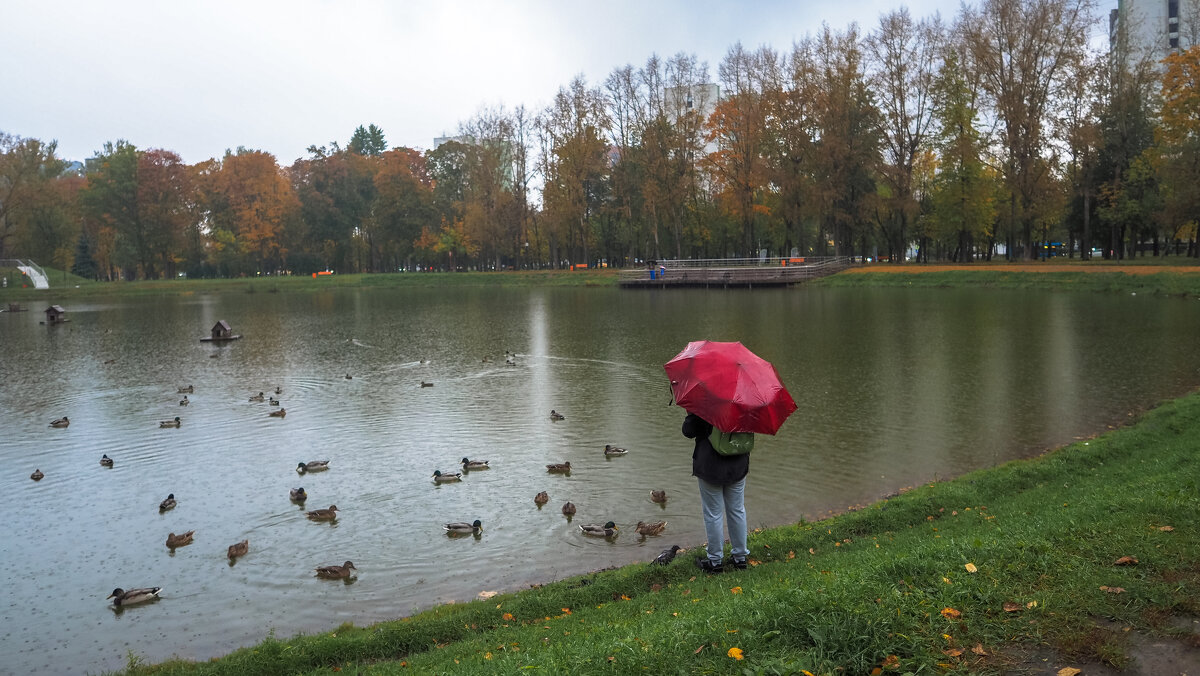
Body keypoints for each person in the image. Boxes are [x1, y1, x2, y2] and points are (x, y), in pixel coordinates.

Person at [683, 412, 750, 573]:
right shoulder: (744, 403)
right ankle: (740, 558)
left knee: (713, 513)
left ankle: (715, 561)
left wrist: (690, 414)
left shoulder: (703, 404)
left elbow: (688, 431)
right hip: (737, 463)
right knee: (737, 510)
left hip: (710, 466)